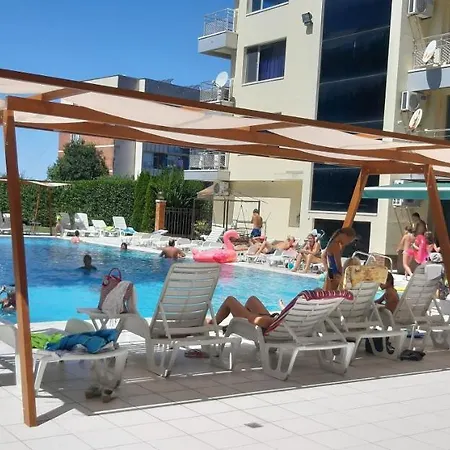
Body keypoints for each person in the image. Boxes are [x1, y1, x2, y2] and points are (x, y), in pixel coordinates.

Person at [208, 295, 277, 330]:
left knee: (230, 300)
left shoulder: (280, 322)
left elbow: (253, 319)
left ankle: (211, 324)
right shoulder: (283, 321)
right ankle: (213, 322)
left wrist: (256, 316)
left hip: (264, 326)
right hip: (273, 321)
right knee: (252, 299)